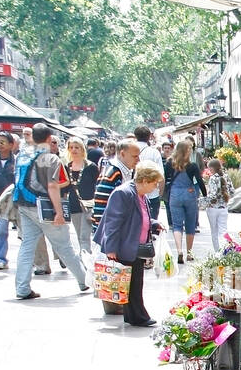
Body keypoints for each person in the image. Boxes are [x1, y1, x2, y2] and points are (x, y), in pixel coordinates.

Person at [12, 123, 91, 300]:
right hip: (44, 207)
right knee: (64, 246)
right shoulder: (50, 158)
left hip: (24, 206)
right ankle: (85, 281)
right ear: (49, 139)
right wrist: (59, 212)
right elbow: (52, 186)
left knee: (27, 246)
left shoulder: (22, 154)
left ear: (32, 137)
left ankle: (22, 288)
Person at [95, 160, 165, 326]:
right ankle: (138, 316)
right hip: (125, 246)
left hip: (134, 247)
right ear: (145, 181)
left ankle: (135, 315)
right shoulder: (123, 193)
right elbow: (112, 222)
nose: (155, 187)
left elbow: (141, 217)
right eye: (154, 183)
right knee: (131, 283)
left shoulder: (140, 195)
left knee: (134, 283)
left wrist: (154, 224)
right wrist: (111, 248)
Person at [167, 138, 205, 263]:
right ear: (186, 151)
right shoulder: (192, 166)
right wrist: (205, 195)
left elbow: (166, 179)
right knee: (190, 225)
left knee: (177, 225)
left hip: (175, 194)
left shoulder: (169, 163)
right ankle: (189, 253)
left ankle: (179, 251)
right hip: (189, 194)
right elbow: (199, 181)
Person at [64, 137, 99, 259]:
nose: (74, 150)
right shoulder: (66, 166)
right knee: (79, 235)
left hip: (88, 205)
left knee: (85, 236)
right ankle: (84, 257)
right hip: (73, 205)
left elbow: (97, 186)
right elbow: (64, 187)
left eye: (77, 147)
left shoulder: (91, 166)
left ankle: (85, 260)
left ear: (82, 149)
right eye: (71, 147)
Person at [92, 139, 138, 231]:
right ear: (122, 154)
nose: (138, 159)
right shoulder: (112, 173)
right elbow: (100, 203)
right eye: (134, 156)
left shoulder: (125, 171)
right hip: (110, 229)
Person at [0, 132, 17, 269]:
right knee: (1, 230)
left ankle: (0, 258)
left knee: (4, 231)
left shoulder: (18, 161)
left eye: (2, 142)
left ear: (11, 144)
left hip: (10, 203)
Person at [203, 157, 233, 252]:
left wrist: (202, 202)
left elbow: (213, 195)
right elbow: (232, 191)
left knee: (214, 232)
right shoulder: (226, 177)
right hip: (223, 207)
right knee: (223, 231)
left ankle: (217, 252)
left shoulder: (213, 179)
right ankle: (227, 249)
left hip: (213, 208)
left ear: (212, 168)